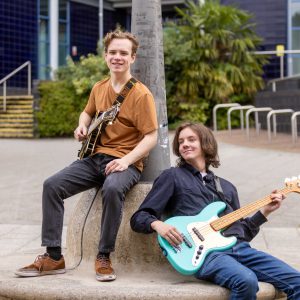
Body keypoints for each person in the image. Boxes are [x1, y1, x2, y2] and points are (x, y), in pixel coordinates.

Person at [15, 29, 158, 282]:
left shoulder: (141, 94)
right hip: (96, 158)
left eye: (123, 53)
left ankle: (103, 256)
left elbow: (151, 137)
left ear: (132, 58)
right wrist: (82, 126)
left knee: (112, 189)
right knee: (52, 185)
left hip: (126, 162)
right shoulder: (99, 87)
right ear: (105, 56)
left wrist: (125, 161)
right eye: (113, 52)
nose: (117, 57)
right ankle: (53, 256)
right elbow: (87, 113)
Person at [130, 122, 300, 299]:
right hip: (206, 255)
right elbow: (139, 218)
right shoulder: (172, 176)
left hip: (240, 250)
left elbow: (241, 233)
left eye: (191, 139)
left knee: (298, 281)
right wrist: (158, 225)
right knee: (246, 281)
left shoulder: (227, 187)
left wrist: (265, 211)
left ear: (205, 143)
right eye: (181, 141)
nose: (184, 144)